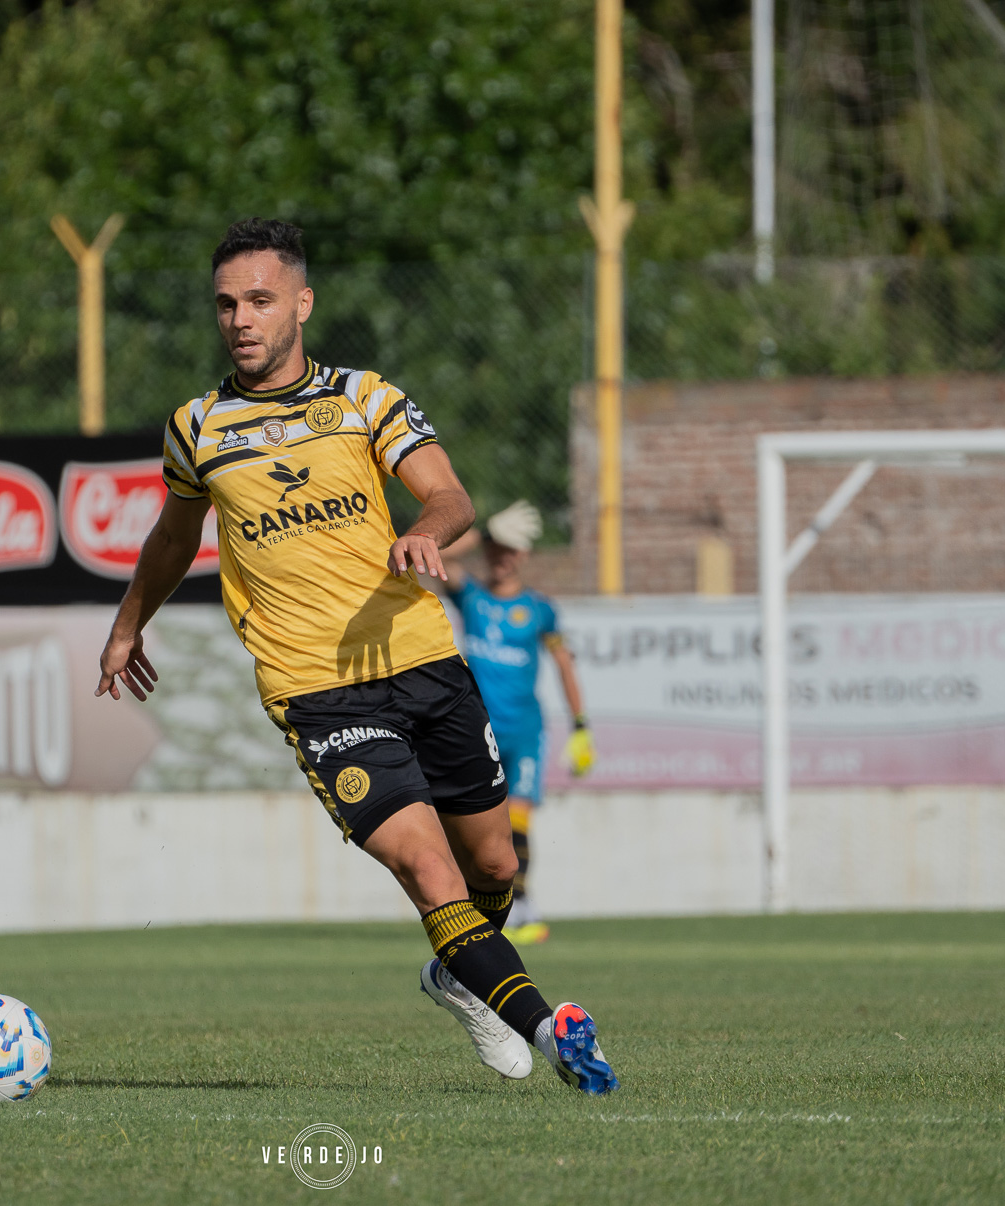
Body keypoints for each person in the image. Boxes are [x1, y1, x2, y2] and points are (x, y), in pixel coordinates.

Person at [94, 217, 617, 1093]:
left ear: (301, 302)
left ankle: (461, 973)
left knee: (495, 866)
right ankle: (552, 1025)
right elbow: (173, 538)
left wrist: (423, 532)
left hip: (421, 658)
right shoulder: (196, 427)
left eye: (258, 300)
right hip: (318, 692)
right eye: (225, 304)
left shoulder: (365, 398)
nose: (240, 320)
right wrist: (125, 625)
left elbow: (449, 495)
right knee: (426, 864)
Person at [439, 501, 594, 946]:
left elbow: (565, 665)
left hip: (525, 730)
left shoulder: (540, 610)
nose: (501, 557)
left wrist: (581, 724)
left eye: (510, 550)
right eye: (495, 549)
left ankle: (521, 904)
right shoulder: (472, 596)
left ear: (524, 555)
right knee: (478, 827)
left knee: (520, 819)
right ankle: (482, 904)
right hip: (476, 729)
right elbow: (439, 556)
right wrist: (484, 530)